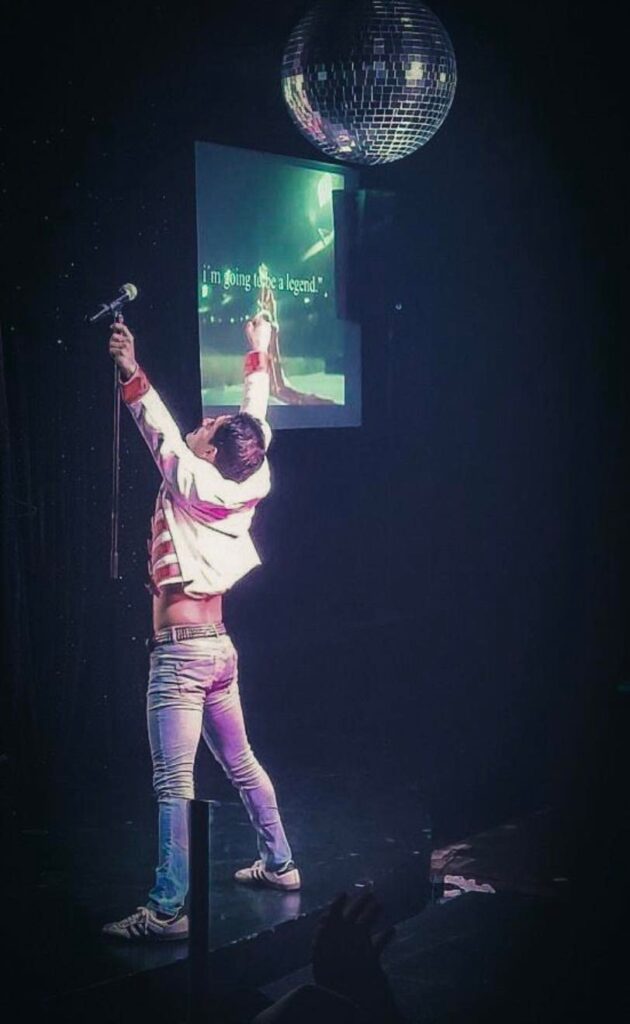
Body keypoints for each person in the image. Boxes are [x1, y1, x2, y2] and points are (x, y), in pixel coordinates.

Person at [102, 311, 299, 942]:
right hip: (218, 650)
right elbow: (255, 421)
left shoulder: (192, 479)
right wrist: (257, 351)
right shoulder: (252, 475)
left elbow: (157, 427)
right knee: (240, 761)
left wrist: (130, 368)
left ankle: (168, 910)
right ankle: (281, 863)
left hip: (182, 657)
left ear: (209, 453)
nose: (204, 423)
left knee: (174, 781)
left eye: (209, 428)